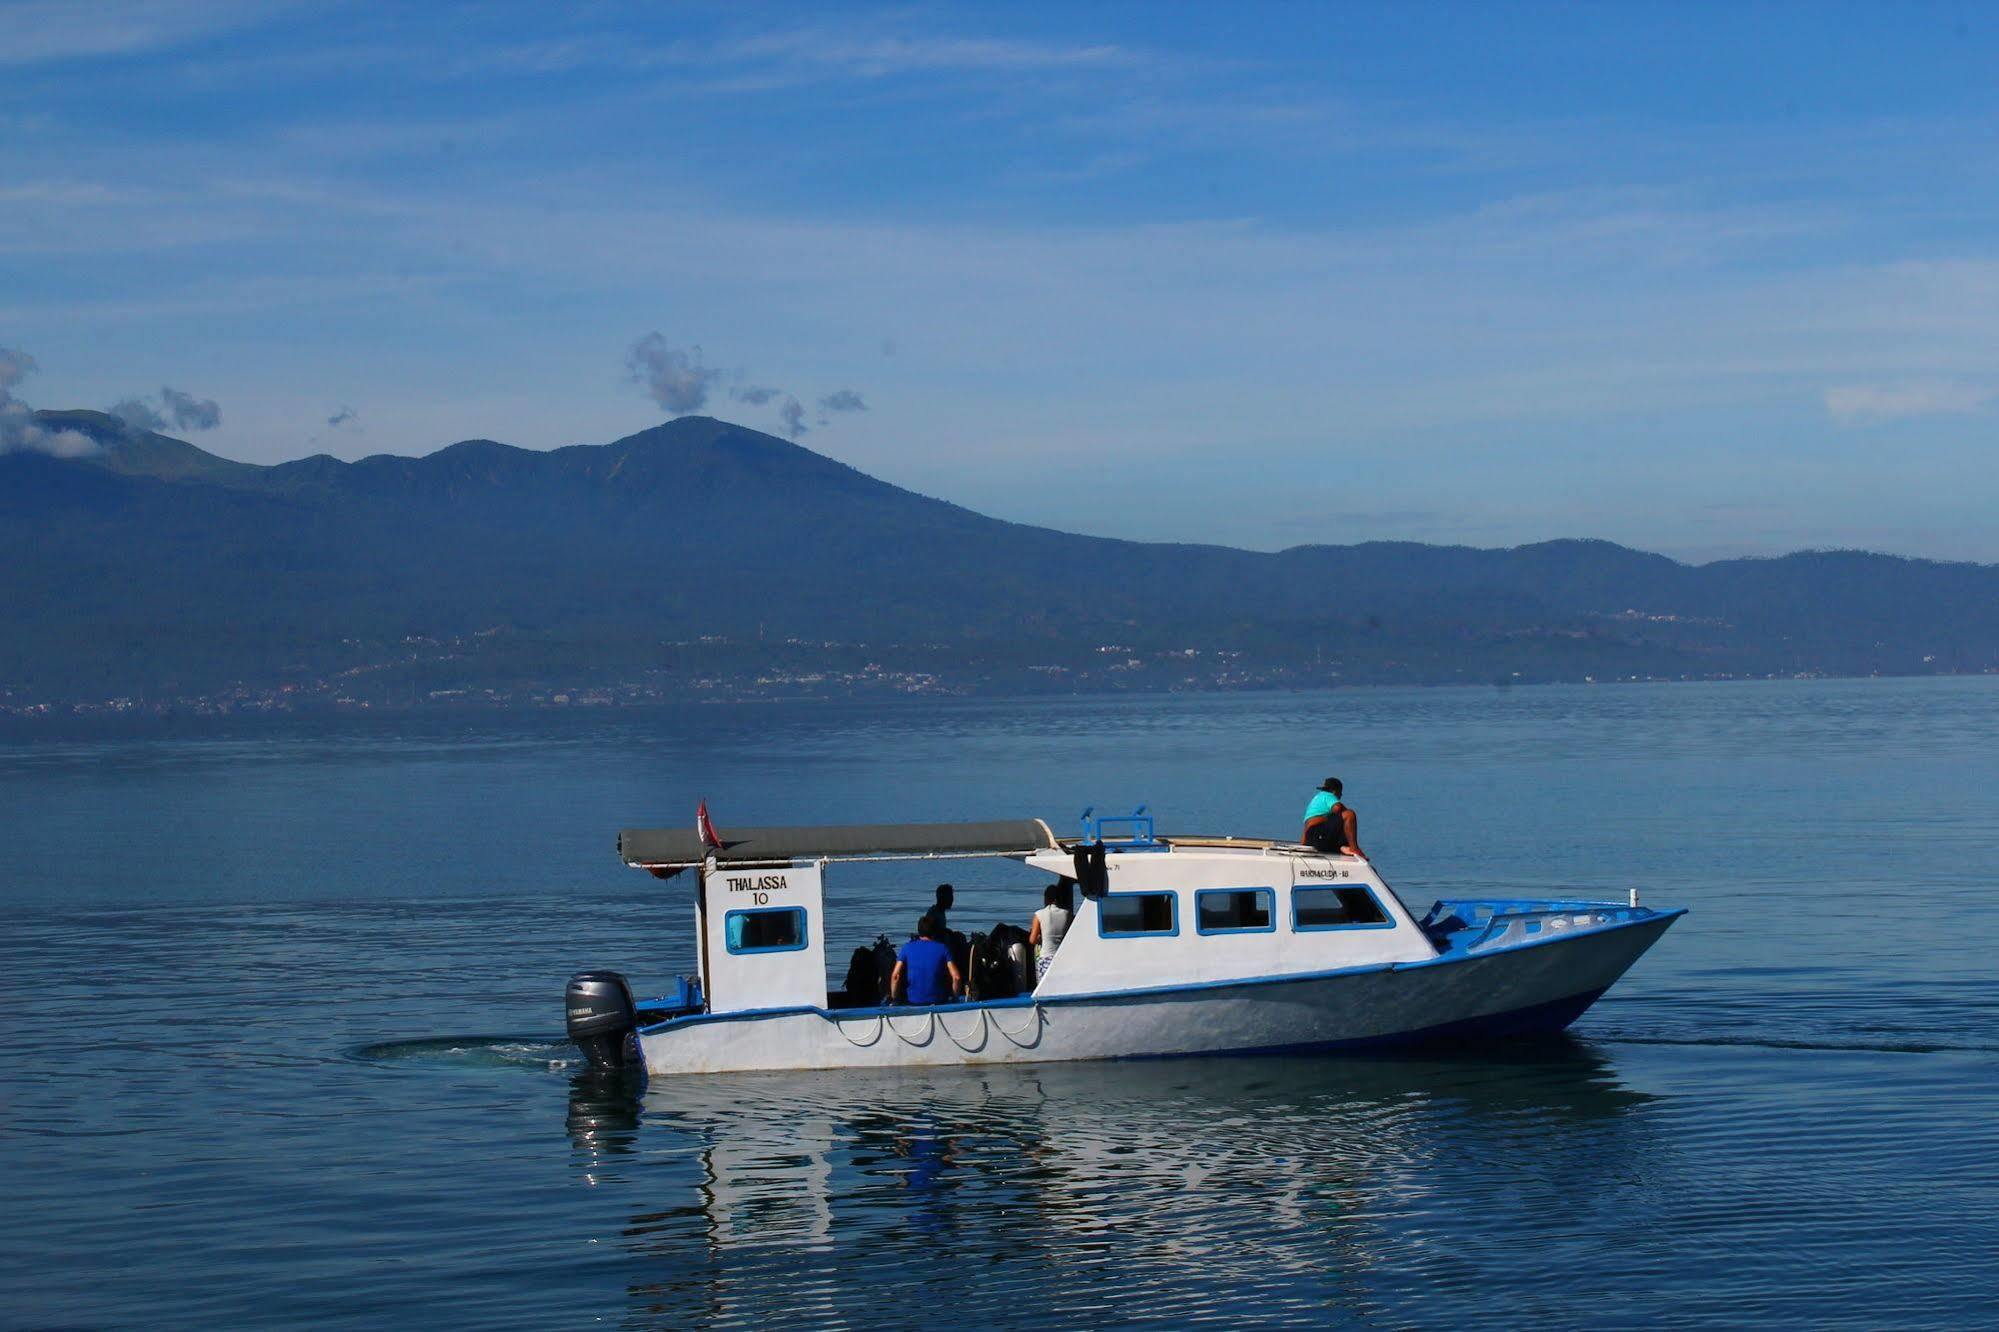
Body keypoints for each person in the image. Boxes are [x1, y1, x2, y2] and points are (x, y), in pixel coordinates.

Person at [890, 914, 963, 1006]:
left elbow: (895, 976)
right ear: (934, 931)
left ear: (918, 931)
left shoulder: (906, 947)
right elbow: (956, 977)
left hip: (912, 1000)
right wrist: (955, 999)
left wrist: (894, 999)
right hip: (938, 1000)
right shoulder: (943, 948)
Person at [1302, 776, 1362, 857]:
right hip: (1318, 835)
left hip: (1312, 839)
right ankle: (1354, 848)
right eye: (1340, 793)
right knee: (1349, 815)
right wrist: (1344, 810)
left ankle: (1341, 846)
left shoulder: (1317, 798)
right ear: (1334, 791)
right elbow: (1337, 807)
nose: (1341, 795)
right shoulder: (1328, 795)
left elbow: (1307, 825)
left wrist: (1303, 844)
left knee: (1339, 823)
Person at [1028, 880, 1074, 980]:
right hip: (1061, 958)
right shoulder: (1067, 914)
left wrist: (1040, 938)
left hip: (1046, 958)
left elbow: (1032, 940)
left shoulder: (1039, 914)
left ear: (1046, 898)